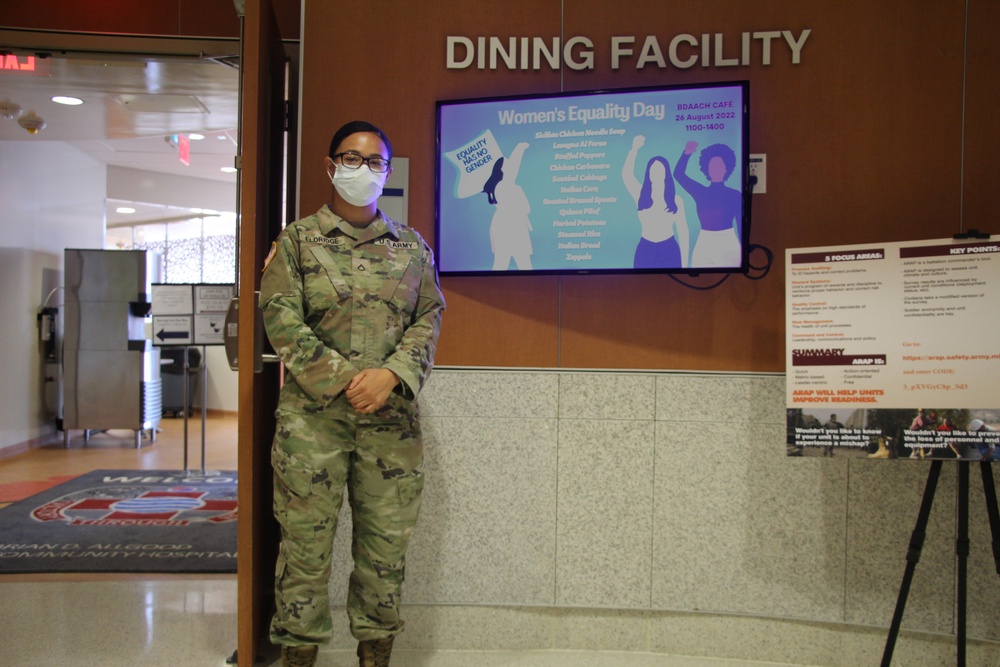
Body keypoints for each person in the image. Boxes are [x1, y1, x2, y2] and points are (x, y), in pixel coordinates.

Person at [259, 120, 446, 667]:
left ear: (387, 172)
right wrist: (345, 378)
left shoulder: (412, 248)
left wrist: (390, 375)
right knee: (304, 551)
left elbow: (430, 317)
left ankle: (376, 657)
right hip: (311, 427)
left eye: (375, 162)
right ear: (330, 165)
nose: (362, 170)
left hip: (390, 425)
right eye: (351, 157)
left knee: (384, 554)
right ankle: (298, 658)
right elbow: (280, 317)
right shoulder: (295, 242)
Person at [621, 135, 690, 268]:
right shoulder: (640, 194)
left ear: (666, 174)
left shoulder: (676, 200)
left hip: (669, 248)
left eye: (660, 170)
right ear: (648, 173)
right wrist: (634, 150)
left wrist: (685, 264)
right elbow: (627, 175)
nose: (656, 173)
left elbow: (683, 231)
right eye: (653, 170)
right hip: (645, 249)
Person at [673, 141, 742, 268]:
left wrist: (745, 250)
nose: (715, 168)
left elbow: (741, 225)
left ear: (726, 168)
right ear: (707, 169)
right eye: (712, 165)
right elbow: (678, 174)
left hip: (728, 244)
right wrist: (686, 154)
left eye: (719, 165)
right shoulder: (700, 192)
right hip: (704, 243)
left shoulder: (735, 195)